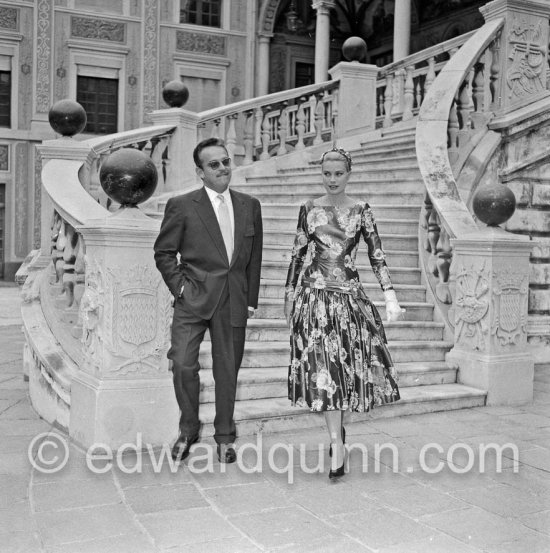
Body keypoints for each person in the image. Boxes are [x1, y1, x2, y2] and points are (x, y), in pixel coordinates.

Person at [284, 146, 404, 479]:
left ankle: (338, 434)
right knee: (323, 367)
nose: (332, 179)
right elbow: (297, 255)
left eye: (338, 173)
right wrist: (289, 296)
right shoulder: (308, 209)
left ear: (348, 174)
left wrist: (390, 296)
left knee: (345, 368)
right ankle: (336, 440)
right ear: (321, 174)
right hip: (315, 299)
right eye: (327, 173)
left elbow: (376, 256)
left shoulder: (362, 211)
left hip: (349, 299)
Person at [154, 137, 263, 463]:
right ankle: (188, 429)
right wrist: (181, 289)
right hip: (193, 299)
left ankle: (225, 437)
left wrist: (250, 299)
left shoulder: (249, 205)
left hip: (233, 300)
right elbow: (163, 252)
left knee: (227, 371)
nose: (223, 168)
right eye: (214, 164)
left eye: (226, 161)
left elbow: (254, 256)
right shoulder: (183, 205)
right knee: (184, 364)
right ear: (200, 172)